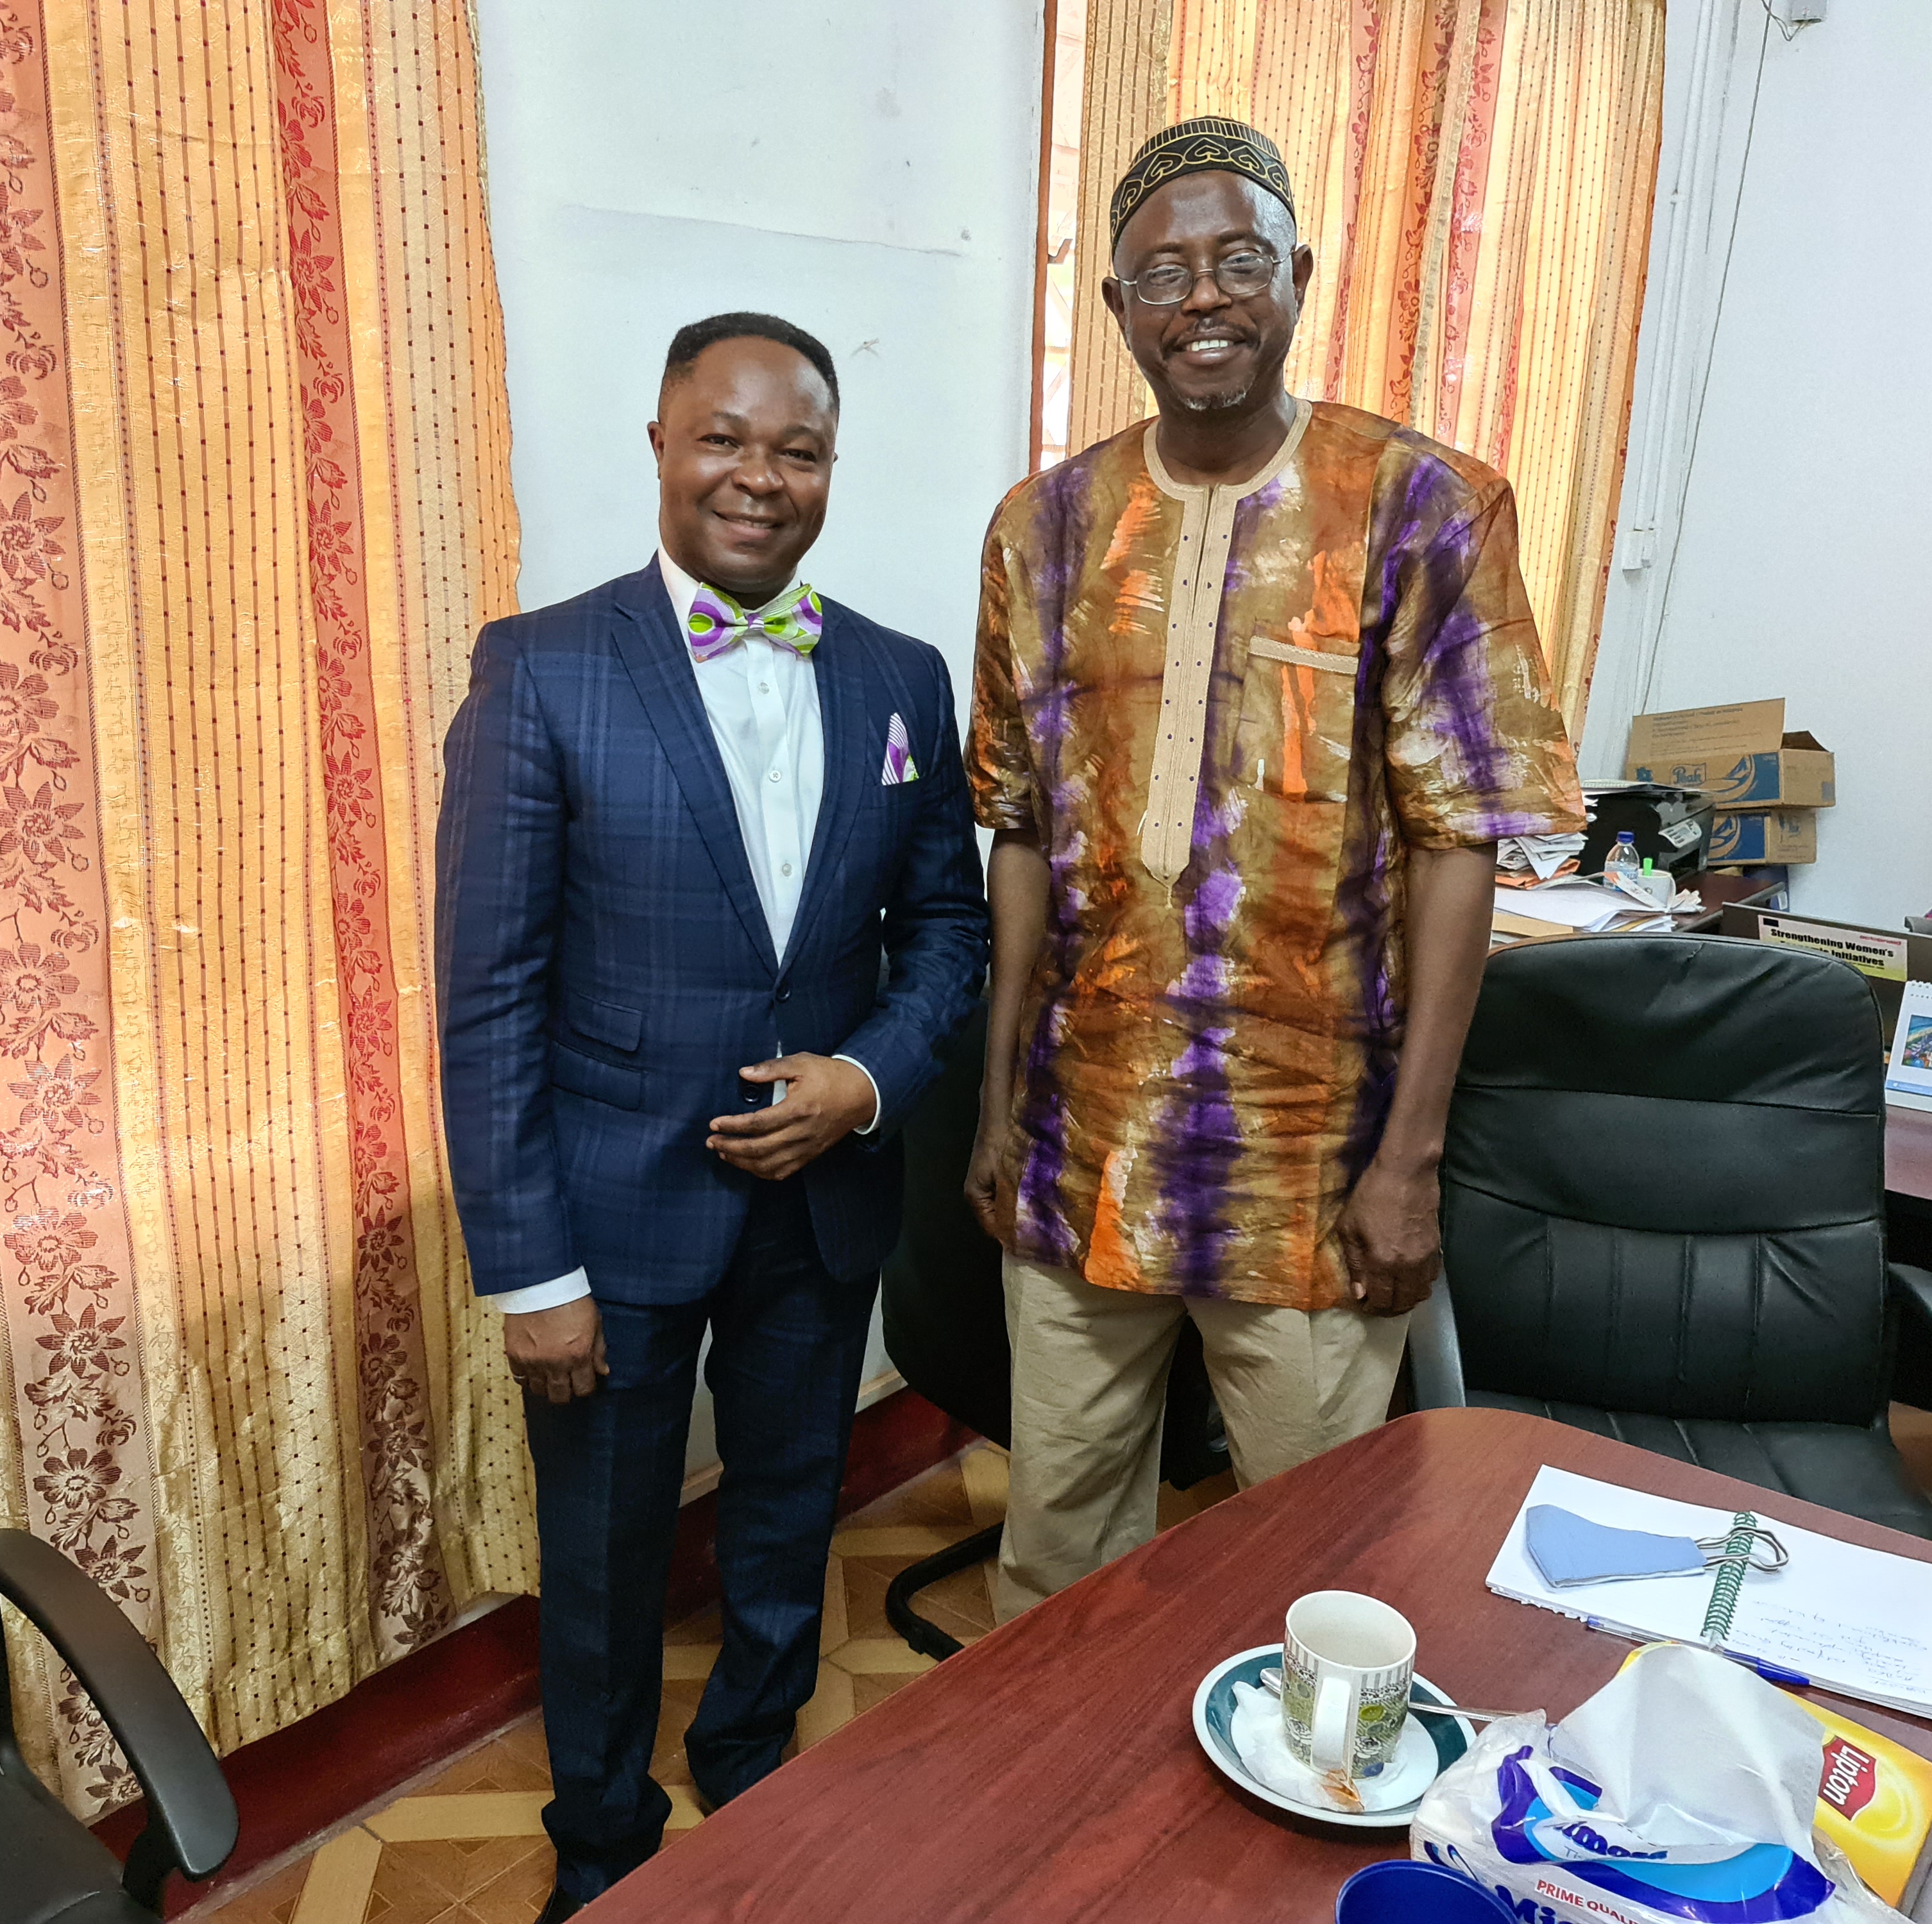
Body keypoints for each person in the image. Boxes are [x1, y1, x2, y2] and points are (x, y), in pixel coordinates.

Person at [963, 119, 1582, 1619]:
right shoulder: (1042, 532)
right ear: (1113, 306)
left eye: (1237, 261)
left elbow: (1457, 841)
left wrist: (1408, 1163)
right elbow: (1020, 829)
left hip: (1308, 1162)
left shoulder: (1423, 505)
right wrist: (993, 1107)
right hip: (1079, 1146)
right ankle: (1067, 1782)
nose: (1202, 299)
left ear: (1297, 274)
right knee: (1054, 1562)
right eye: (1160, 272)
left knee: (1311, 1578)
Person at [436, 312, 987, 1918]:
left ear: (830, 467)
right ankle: (602, 1846)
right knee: (604, 1560)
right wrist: (530, 1275)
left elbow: (944, 930)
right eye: (725, 439)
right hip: (608, 1221)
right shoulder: (541, 669)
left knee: (788, 1508)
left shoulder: (898, 675)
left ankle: (756, 1774)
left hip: (820, 1203)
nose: (759, 476)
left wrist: (866, 1079)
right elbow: (486, 997)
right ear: (662, 446)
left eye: (796, 449)